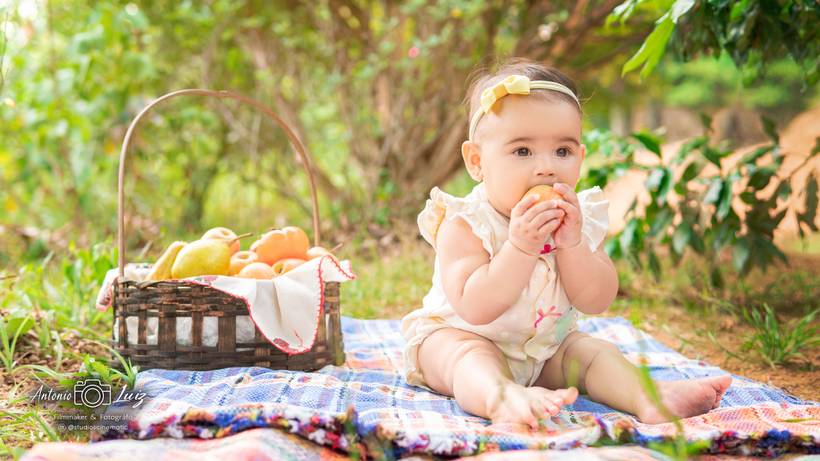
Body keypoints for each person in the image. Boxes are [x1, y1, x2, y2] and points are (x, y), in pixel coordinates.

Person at [401, 58, 732, 429]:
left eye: (562, 151)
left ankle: (649, 397)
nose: (547, 167)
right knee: (466, 357)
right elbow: (475, 307)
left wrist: (573, 245)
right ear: (477, 161)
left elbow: (597, 298)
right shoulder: (465, 223)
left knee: (592, 352)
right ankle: (503, 399)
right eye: (522, 151)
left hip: (544, 352)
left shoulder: (579, 220)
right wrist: (521, 248)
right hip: (463, 339)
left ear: (580, 157)